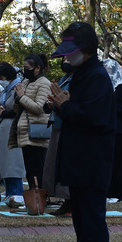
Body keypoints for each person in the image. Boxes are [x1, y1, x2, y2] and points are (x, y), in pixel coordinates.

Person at [48, 22, 116, 242]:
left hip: (91, 164)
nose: (65, 59)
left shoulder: (96, 76)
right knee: (82, 222)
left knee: (91, 222)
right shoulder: (82, 75)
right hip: (80, 163)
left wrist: (65, 106)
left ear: (86, 50)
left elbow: (94, 118)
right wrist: (62, 104)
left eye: (69, 53)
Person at [8, 53, 51, 193]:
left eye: (28, 68)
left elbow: (39, 108)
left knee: (37, 169)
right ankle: (33, 200)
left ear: (37, 68)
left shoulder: (44, 83)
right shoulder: (26, 82)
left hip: (36, 132)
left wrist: (22, 96)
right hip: (24, 131)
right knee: (30, 169)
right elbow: (18, 108)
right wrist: (17, 98)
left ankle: (40, 200)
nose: (25, 71)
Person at [42, 60, 74, 216]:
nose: (66, 62)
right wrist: (50, 104)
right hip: (57, 124)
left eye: (69, 59)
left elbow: (69, 102)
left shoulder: (80, 79)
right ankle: (65, 202)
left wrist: (60, 102)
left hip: (69, 126)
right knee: (54, 164)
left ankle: (71, 202)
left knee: (66, 164)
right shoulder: (64, 78)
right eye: (64, 59)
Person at [0, 63, 25, 204]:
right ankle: (10, 191)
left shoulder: (18, 87)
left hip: (13, 127)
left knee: (14, 162)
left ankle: (16, 192)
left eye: (2, 77)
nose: (0, 80)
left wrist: (4, 112)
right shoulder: (3, 92)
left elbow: (19, 107)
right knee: (5, 162)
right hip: (3, 128)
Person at [103, 59, 122, 203]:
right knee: (107, 162)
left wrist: (108, 108)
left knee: (117, 163)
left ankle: (118, 192)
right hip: (107, 130)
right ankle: (108, 191)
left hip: (119, 132)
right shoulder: (106, 88)